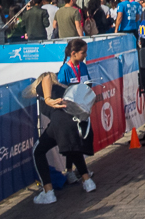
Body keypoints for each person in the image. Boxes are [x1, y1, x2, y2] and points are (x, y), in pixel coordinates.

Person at [30, 39, 97, 204]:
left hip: (62, 120)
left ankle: (48, 192)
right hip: (74, 119)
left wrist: (46, 99)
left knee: (38, 151)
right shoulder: (63, 79)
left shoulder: (47, 81)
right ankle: (88, 181)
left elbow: (46, 76)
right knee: (73, 149)